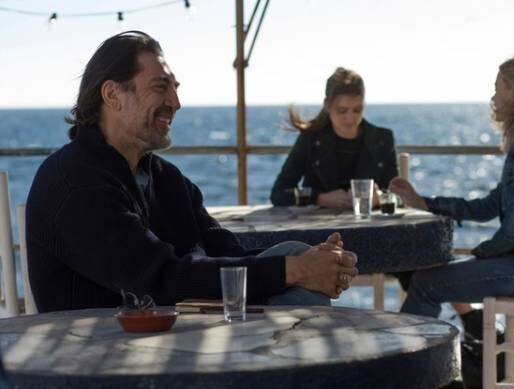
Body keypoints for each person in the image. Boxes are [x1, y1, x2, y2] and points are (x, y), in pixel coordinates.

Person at [26, 31, 358, 313]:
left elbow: (228, 254)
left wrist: (313, 261)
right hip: (100, 354)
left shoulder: (167, 179)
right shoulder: (73, 182)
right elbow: (161, 278)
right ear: (113, 95)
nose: (176, 102)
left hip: (173, 332)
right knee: (291, 269)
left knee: (292, 252)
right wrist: (297, 270)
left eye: (175, 88)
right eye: (161, 87)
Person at [389, 55, 514, 324]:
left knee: (427, 284)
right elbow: (488, 206)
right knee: (427, 279)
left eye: (497, 88)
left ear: (513, 90)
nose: (493, 98)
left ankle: (409, 351)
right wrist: (425, 203)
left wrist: (481, 253)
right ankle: (426, 347)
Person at [270, 67, 398, 209]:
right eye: (342, 111)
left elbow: (397, 195)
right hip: (318, 223)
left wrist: (378, 198)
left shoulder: (383, 140)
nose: (350, 118)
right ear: (327, 105)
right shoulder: (310, 139)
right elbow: (279, 193)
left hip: (369, 222)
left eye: (357, 110)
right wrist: (319, 198)